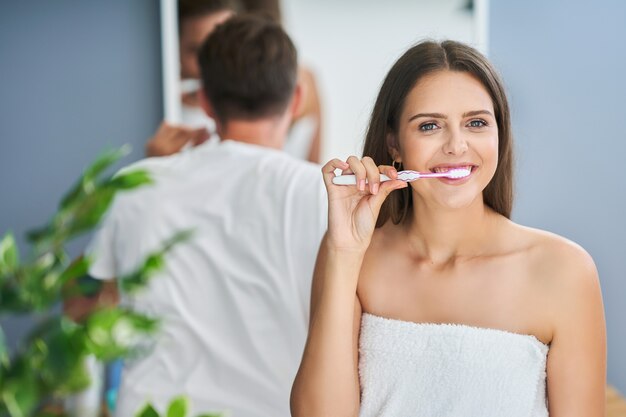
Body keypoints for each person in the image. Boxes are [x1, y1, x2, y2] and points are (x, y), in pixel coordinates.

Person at [291, 40, 606, 416]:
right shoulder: (353, 256)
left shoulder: (564, 271)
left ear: (499, 134)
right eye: (429, 126)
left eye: (476, 123)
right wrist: (344, 253)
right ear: (394, 144)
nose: (457, 146)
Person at [83, 15, 326, 417]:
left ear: (207, 101)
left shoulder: (137, 184)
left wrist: (150, 173)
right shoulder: (325, 194)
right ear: (296, 100)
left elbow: (82, 308)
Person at [145, 0, 241, 157]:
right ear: (174, 50)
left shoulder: (271, 110)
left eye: (226, 47)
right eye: (198, 51)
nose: (214, 63)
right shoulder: (158, 117)